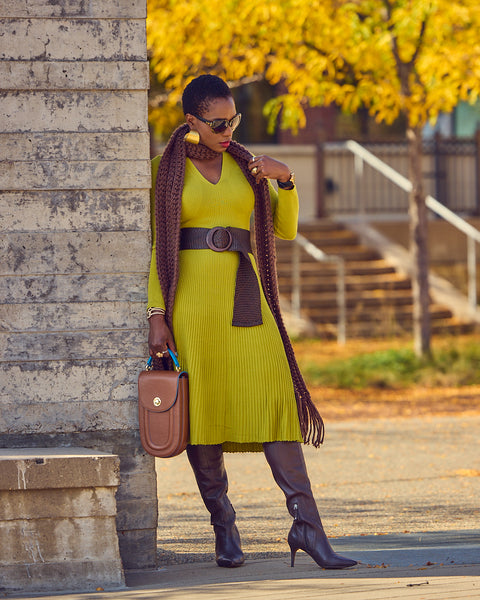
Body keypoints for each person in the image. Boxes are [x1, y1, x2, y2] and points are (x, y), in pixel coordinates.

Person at [147, 74, 356, 570]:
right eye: (218, 122)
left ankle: (307, 526)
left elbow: (283, 229)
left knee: (276, 400)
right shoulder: (165, 170)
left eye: (234, 120)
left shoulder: (248, 167)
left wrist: (285, 181)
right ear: (191, 120)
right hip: (193, 307)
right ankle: (223, 527)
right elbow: (159, 250)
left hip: (247, 300)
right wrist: (157, 315)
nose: (228, 129)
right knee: (205, 416)